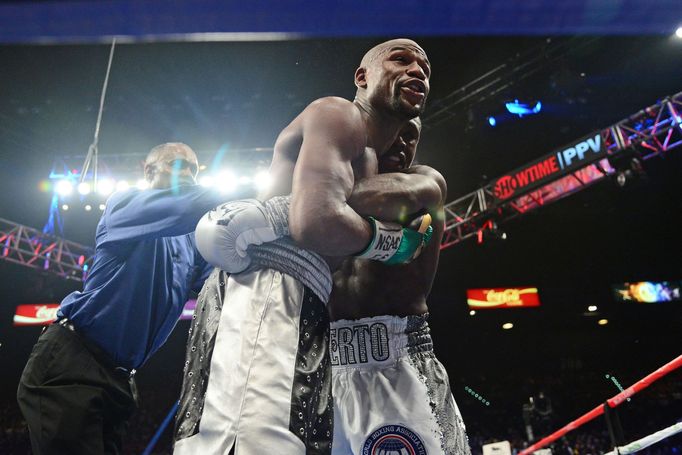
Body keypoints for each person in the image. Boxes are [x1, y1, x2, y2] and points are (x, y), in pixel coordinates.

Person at [173, 38, 432, 454]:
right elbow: (316, 221)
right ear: (362, 77)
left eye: (425, 67)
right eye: (401, 60)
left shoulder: (371, 163)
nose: (417, 70)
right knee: (252, 444)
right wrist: (391, 244)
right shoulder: (339, 114)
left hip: (304, 303)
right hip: (267, 290)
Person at [17, 142, 228, 454]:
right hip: (73, 363)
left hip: (119, 380)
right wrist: (260, 202)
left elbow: (222, 277)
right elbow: (185, 206)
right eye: (176, 165)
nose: (186, 174)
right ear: (147, 170)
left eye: (192, 170)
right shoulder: (124, 205)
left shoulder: (189, 243)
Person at [329, 118, 472, 454]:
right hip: (329, 368)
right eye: (396, 130)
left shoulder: (424, 182)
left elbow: (324, 207)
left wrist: (314, 192)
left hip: (401, 364)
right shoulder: (330, 177)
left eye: (412, 136)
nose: (403, 142)